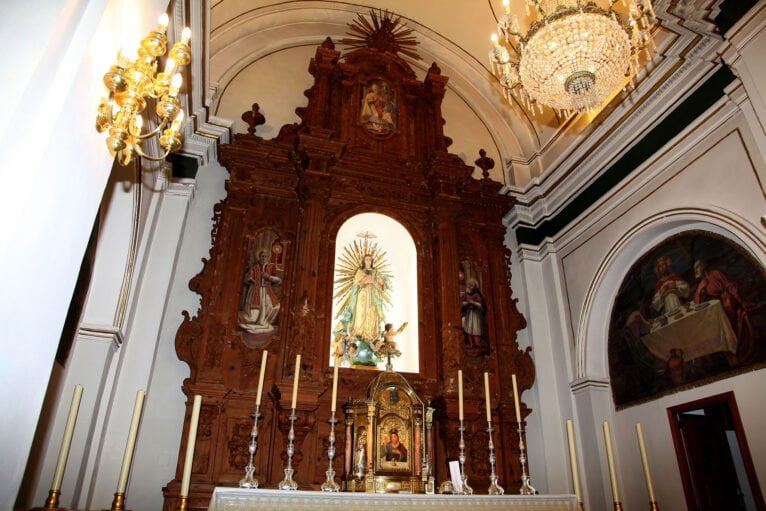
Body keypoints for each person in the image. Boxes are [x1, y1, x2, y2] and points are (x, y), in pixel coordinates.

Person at [693, 260, 755, 360]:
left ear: (703, 266)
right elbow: (696, 302)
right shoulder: (702, 283)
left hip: (729, 301)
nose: (695, 270)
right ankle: (725, 352)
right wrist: (699, 290)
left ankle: (734, 349)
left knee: (723, 319)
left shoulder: (716, 273)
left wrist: (740, 300)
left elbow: (730, 286)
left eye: (697, 267)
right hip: (719, 306)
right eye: (694, 269)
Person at [336, 254, 389, 342]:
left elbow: (380, 283)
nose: (368, 261)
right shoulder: (360, 271)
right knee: (361, 313)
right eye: (366, 259)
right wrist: (369, 279)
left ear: (372, 261)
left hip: (373, 295)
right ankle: (359, 334)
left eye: (370, 259)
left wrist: (380, 283)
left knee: (372, 313)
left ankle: (371, 335)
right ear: (364, 261)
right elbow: (358, 281)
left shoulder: (375, 271)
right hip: (363, 295)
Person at [240, 250, 282, 333]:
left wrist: (269, 277)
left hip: (267, 290)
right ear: (259, 257)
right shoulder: (254, 266)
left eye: (265, 256)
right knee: (252, 317)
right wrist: (250, 279)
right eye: (262, 256)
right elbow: (246, 279)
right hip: (255, 290)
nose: (264, 258)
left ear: (268, 257)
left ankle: (264, 321)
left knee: (276, 306)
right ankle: (252, 320)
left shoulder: (271, 266)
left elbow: (278, 280)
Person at [461, 279, 490, 356]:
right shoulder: (466, 294)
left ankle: (478, 345)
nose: (470, 287)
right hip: (469, 314)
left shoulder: (477, 294)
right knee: (469, 329)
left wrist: (474, 303)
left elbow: (481, 305)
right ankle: (470, 345)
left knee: (476, 330)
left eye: (472, 285)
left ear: (475, 286)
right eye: (469, 285)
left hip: (476, 316)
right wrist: (467, 303)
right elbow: (461, 303)